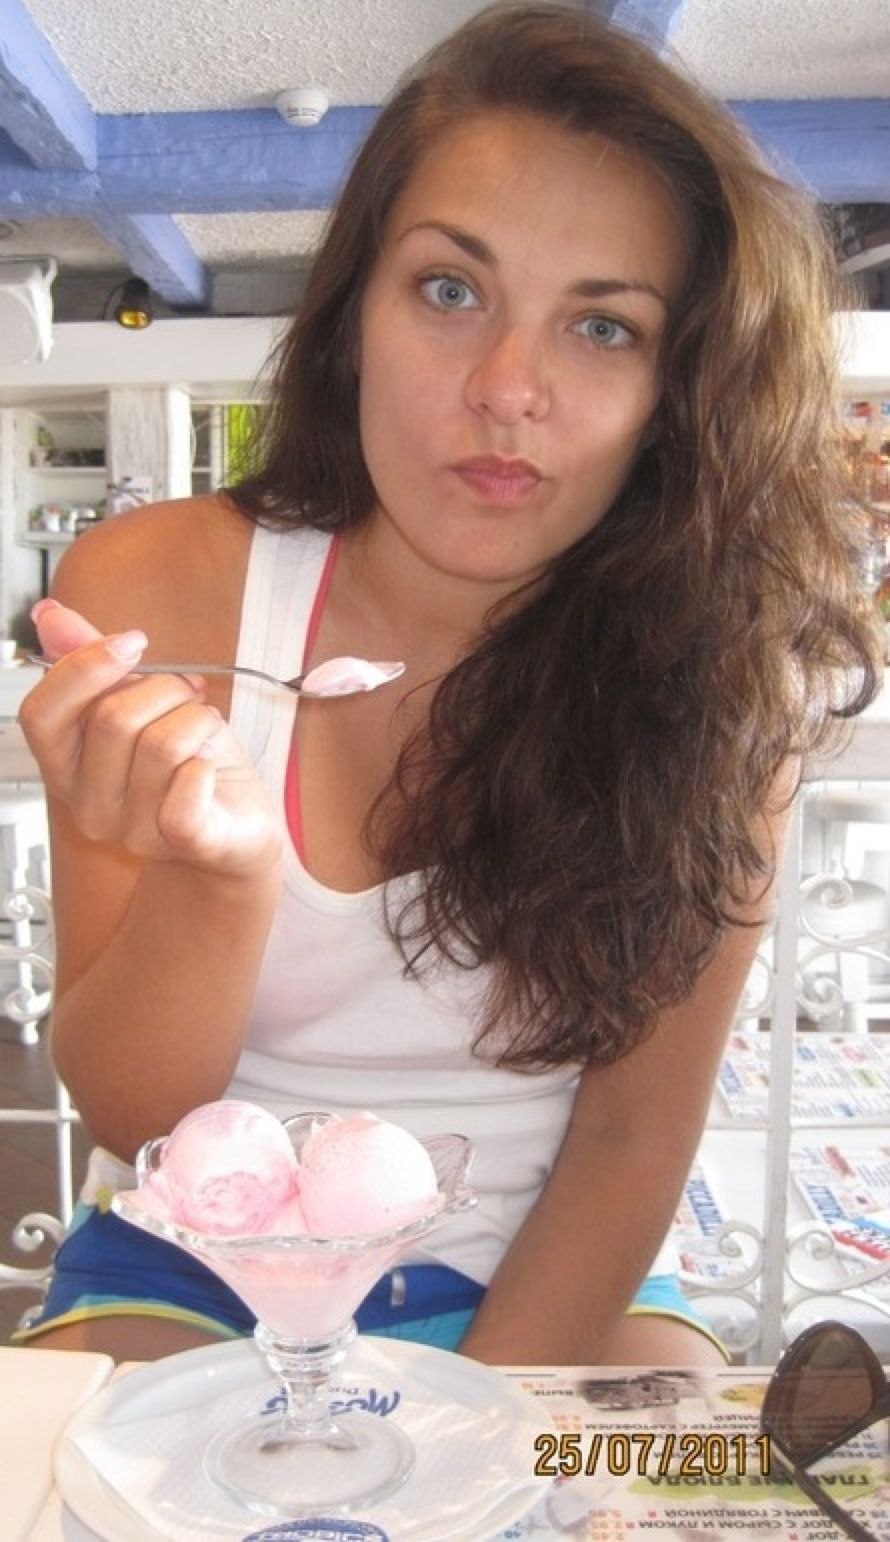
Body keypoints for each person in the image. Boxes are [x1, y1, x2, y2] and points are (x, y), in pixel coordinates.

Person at [15, 1, 881, 1366]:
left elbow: (629, 1137)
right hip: (194, 1255)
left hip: (554, 1261)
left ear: (676, 391)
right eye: (449, 291)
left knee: (672, 1478)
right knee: (80, 1465)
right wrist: (216, 878)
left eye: (602, 327)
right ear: (353, 313)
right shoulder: (161, 589)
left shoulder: (726, 679)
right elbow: (137, 1117)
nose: (506, 388)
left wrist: (470, 1439)